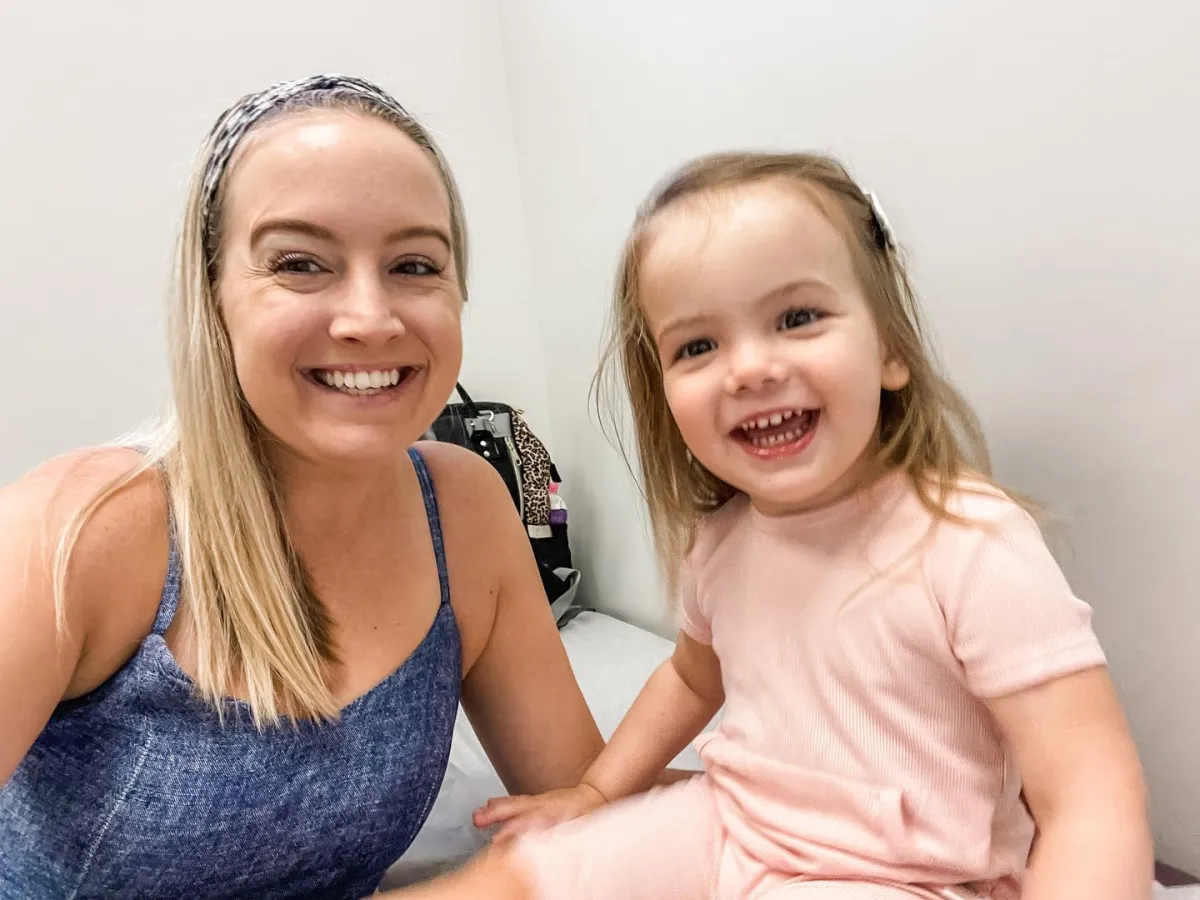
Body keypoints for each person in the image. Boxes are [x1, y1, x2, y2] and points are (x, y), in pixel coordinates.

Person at [398, 153, 1154, 899]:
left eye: (798, 318)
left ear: (891, 348)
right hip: (736, 823)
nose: (750, 369)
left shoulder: (969, 543)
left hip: (904, 872)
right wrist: (596, 793)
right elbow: (689, 678)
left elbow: (1091, 794)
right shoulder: (724, 542)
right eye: (698, 346)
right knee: (534, 868)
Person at [0, 74, 605, 899]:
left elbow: (592, 808)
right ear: (213, 296)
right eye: (299, 264)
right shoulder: (76, 529)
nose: (370, 318)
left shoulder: (465, 510)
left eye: (414, 264)